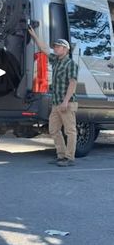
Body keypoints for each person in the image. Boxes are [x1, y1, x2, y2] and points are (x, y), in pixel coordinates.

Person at [28, 25, 79, 167]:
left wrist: (65, 102)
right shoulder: (56, 61)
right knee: (53, 129)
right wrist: (35, 36)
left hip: (67, 103)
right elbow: (44, 49)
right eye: (55, 47)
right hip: (57, 103)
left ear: (65, 49)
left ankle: (70, 158)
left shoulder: (71, 64)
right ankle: (61, 156)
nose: (55, 48)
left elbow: (72, 84)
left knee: (70, 131)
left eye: (58, 47)